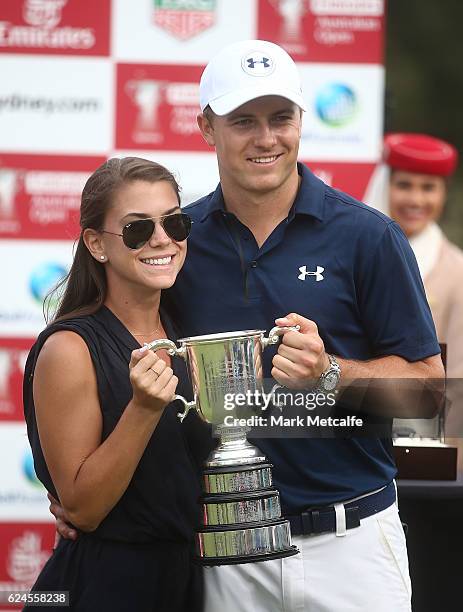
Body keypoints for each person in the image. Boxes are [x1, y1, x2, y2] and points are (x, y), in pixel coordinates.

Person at [52, 41, 444, 612]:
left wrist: (330, 373)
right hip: (221, 551)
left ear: (302, 121)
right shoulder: (178, 244)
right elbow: (127, 364)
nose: (266, 139)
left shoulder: (368, 237)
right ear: (207, 128)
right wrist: (84, 492)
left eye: (281, 117)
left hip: (351, 543)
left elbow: (429, 399)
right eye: (243, 121)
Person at [23, 157, 213, 611]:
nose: (162, 239)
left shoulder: (188, 332)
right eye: (136, 229)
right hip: (103, 588)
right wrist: (143, 410)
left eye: (174, 222)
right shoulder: (70, 348)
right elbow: (84, 509)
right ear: (96, 243)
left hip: (188, 583)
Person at [383, 133, 463, 440]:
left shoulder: (456, 272)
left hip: (425, 446)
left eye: (428, 188)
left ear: (444, 194)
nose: (416, 200)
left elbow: (456, 378)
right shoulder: (351, 255)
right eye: (404, 185)